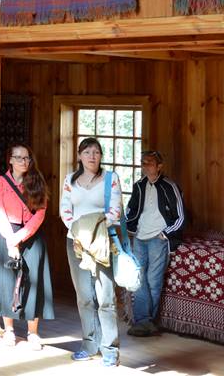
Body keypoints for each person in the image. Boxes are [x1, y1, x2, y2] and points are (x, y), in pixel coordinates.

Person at [0, 144, 53, 350]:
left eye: (27, 158)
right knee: (7, 282)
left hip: (31, 236)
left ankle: (33, 332)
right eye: (19, 157)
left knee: (33, 282)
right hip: (6, 234)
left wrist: (19, 237)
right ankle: (9, 330)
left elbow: (40, 213)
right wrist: (11, 241)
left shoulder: (37, 182)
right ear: (10, 160)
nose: (23, 161)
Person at [59, 137, 123, 367]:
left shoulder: (110, 179)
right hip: (75, 242)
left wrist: (92, 229)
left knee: (106, 297)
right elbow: (65, 209)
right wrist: (78, 231)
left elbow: (115, 211)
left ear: (101, 156)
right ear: (79, 156)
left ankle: (110, 349)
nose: (92, 156)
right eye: (87, 152)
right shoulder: (70, 180)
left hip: (101, 242)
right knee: (84, 296)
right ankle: (89, 344)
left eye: (96, 152)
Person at [125, 150, 185, 337]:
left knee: (153, 280)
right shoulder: (139, 185)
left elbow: (180, 216)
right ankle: (144, 322)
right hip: (139, 237)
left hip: (158, 239)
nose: (145, 166)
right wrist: (131, 229)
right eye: (143, 162)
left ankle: (146, 322)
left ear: (159, 166)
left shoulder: (170, 186)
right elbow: (130, 210)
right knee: (139, 278)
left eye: (149, 163)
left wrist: (165, 234)